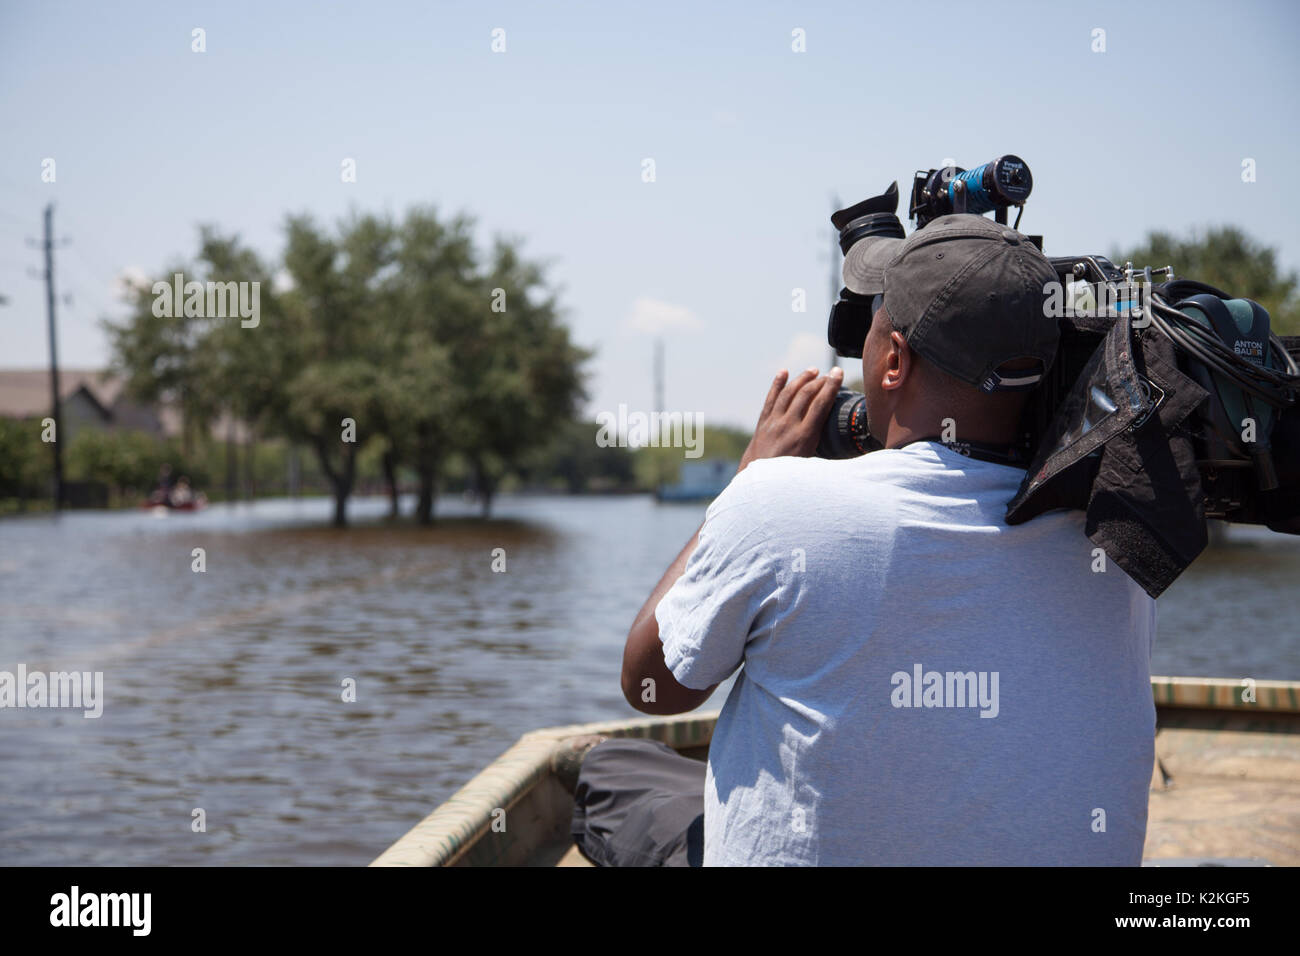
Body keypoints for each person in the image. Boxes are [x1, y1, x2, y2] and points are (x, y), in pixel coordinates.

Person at [572, 214, 1158, 866]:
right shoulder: (1117, 535)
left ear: (894, 359)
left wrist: (747, 480)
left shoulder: (776, 503)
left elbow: (653, 684)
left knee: (618, 771)